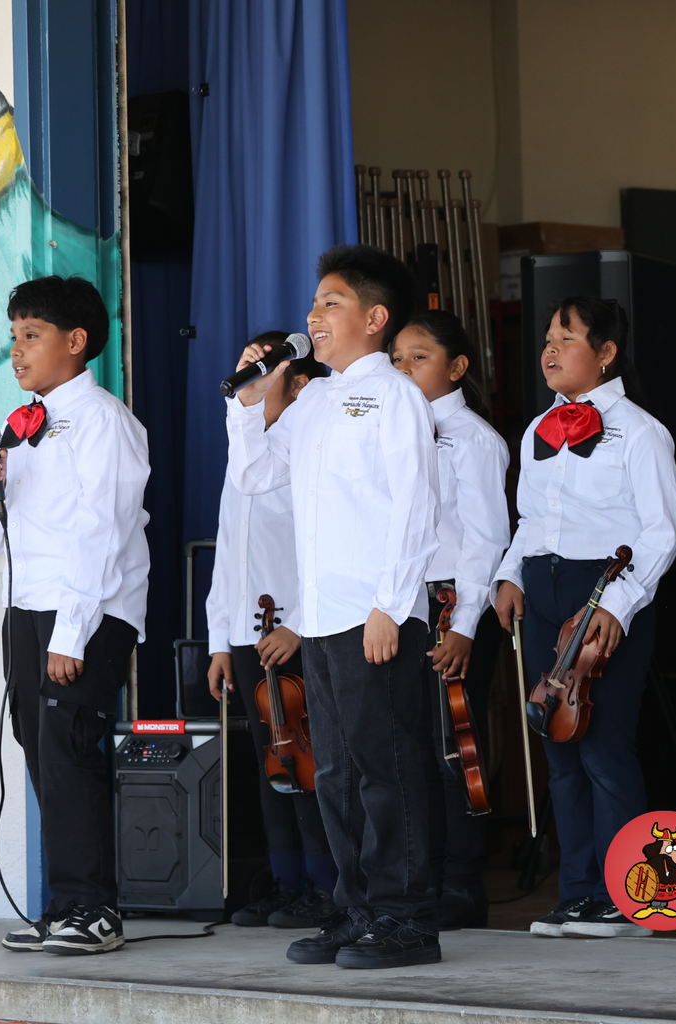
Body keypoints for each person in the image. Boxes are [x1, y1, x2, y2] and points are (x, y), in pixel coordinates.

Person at [225, 244, 441, 968]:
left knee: (387, 767)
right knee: (338, 773)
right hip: (319, 618)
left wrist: (391, 605)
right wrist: (247, 403)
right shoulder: (313, 398)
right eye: (315, 303)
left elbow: (416, 504)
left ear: (375, 319)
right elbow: (256, 475)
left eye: (331, 303)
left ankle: (406, 918)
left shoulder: (395, 397)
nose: (314, 316)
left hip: (372, 615)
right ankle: (358, 910)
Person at [493, 296, 676, 939]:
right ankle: (576, 892)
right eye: (547, 337)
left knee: (603, 747)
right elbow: (528, 520)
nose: (549, 348)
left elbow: (662, 533)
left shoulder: (641, 431)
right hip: (542, 588)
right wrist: (508, 574)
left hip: (603, 590)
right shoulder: (538, 429)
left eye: (566, 337)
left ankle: (625, 898)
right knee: (558, 745)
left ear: (605, 353)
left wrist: (618, 605)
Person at [0, 275, 149, 954]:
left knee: (70, 746)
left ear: (76, 341)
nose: (17, 350)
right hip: (28, 605)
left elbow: (102, 531)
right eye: (14, 336)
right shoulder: (23, 426)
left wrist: (71, 633)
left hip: (87, 608)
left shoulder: (103, 420)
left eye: (32, 334)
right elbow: (5, 537)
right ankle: (64, 907)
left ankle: (95, 910)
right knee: (41, 749)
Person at [206, 330, 338, 929]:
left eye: (265, 370)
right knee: (272, 765)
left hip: (293, 632)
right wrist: (220, 641)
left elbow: (324, 549)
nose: (252, 379)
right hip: (247, 631)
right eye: (246, 368)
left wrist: (302, 629)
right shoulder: (243, 455)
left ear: (299, 381)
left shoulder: (306, 450)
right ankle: (286, 883)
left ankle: (326, 886)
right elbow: (227, 557)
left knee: (307, 763)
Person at [390, 310, 509, 929]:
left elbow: (487, 538)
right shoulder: (391, 430)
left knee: (452, 746)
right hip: (402, 605)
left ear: (457, 366)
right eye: (397, 359)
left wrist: (464, 623)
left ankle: (463, 883)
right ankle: (424, 878)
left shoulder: (474, 438)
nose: (404, 369)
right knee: (408, 750)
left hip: (452, 604)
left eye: (419, 357)